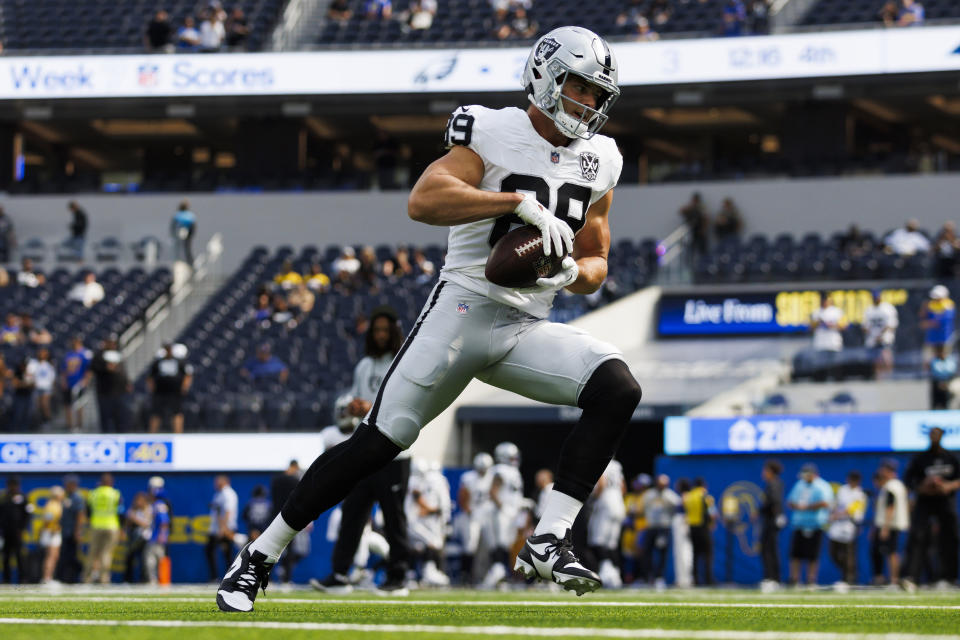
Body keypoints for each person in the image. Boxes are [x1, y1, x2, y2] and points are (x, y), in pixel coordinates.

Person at [217, 26, 642, 612]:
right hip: (462, 310)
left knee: (617, 387)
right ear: (545, 77)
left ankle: (549, 537)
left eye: (598, 95)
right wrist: (514, 203)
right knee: (376, 444)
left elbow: (596, 257)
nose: (588, 104)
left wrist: (569, 273)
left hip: (526, 326)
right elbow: (423, 200)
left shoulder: (602, 160)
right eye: (579, 88)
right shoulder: (491, 128)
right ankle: (259, 556)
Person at [312, 306, 413, 595]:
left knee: (394, 518)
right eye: (376, 330)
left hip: (395, 452)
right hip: (365, 448)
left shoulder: (404, 361)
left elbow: (407, 403)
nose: (380, 335)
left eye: (385, 330)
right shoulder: (364, 365)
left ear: (393, 332)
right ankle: (340, 574)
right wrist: (356, 408)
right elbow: (360, 405)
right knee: (352, 513)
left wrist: (369, 407)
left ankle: (399, 575)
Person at [902, 427, 959, 591]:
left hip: (945, 501)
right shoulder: (921, 458)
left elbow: (957, 479)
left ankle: (950, 577)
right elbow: (909, 481)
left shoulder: (951, 457)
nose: (934, 437)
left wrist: (948, 485)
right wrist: (923, 487)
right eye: (932, 434)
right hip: (925, 501)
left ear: (941, 436)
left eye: (937, 434)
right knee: (918, 536)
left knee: (950, 537)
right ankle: (912, 577)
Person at [480, 442, 524, 589]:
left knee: (504, 545)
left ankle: (500, 573)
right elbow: (493, 490)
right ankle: (499, 573)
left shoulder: (511, 471)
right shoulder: (501, 470)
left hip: (509, 512)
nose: (515, 460)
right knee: (499, 545)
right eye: (512, 457)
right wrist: (503, 507)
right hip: (503, 512)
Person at [786, 463, 833, 587]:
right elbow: (790, 501)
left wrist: (807, 507)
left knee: (813, 555)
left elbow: (826, 503)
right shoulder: (799, 484)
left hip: (815, 524)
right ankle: (794, 579)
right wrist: (798, 506)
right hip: (799, 524)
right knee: (795, 554)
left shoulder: (822, 486)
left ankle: (811, 579)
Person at [454, 452, 493, 585]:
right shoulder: (469, 477)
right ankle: (465, 575)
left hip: (487, 515)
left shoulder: (493, 476)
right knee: (470, 545)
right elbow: (462, 495)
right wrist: (467, 509)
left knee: (488, 546)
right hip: (472, 514)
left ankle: (485, 575)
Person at [587, 460, 626, 589]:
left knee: (598, 541)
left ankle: (606, 573)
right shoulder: (617, 465)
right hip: (619, 502)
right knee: (612, 544)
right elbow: (623, 487)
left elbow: (602, 483)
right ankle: (615, 575)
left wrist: (593, 499)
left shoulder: (602, 460)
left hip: (605, 503)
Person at [826, 471, 867, 589]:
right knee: (833, 553)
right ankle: (847, 573)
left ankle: (849, 579)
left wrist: (837, 515)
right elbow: (835, 504)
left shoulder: (860, 494)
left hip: (850, 525)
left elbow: (852, 510)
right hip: (837, 526)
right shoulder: (842, 490)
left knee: (849, 554)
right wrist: (832, 514)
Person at [872, 459, 909, 588]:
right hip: (895, 524)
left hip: (890, 525)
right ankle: (893, 579)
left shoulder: (891, 486)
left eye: (882, 469)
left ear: (888, 471)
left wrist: (885, 527)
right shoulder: (898, 485)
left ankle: (894, 580)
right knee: (891, 552)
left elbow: (890, 507)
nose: (880, 472)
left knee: (891, 552)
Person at [642, 474, 680, 589]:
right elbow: (644, 508)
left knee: (662, 554)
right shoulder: (649, 494)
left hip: (663, 528)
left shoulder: (670, 496)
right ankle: (649, 577)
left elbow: (679, 506)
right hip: (651, 527)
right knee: (647, 553)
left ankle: (659, 577)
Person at [84, 473, 123, 584]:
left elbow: (88, 511)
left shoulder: (93, 494)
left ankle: (87, 578)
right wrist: (122, 528)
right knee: (106, 553)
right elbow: (121, 511)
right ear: (111, 483)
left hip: (96, 525)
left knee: (92, 553)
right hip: (111, 526)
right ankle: (103, 578)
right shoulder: (115, 494)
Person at [147, 344, 193, 433]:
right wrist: (152, 388)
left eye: (169, 349)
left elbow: (187, 375)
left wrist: (184, 387)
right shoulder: (158, 362)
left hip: (174, 392)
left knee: (177, 413)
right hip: (160, 392)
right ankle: (152, 435)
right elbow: (150, 376)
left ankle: (178, 434)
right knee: (156, 414)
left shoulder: (179, 362)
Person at [90, 338, 130, 433]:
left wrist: (126, 382)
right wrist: (106, 367)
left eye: (114, 343)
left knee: (120, 417)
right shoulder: (99, 355)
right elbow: (94, 368)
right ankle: (106, 436)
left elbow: (123, 371)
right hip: (104, 392)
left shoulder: (118, 355)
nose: (112, 345)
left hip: (119, 392)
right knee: (105, 417)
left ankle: (121, 435)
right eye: (110, 342)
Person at [757, 460, 785, 592]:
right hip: (772, 520)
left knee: (768, 550)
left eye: (765, 470)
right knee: (770, 549)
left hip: (771, 521)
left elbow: (774, 502)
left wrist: (760, 511)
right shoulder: (775, 483)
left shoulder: (773, 484)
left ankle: (771, 578)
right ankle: (774, 578)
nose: (763, 473)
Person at [685, 477, 717, 586]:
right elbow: (712, 513)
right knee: (708, 554)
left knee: (695, 554)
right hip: (703, 528)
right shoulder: (705, 496)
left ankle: (695, 579)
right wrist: (712, 523)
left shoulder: (689, 497)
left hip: (692, 527)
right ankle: (708, 579)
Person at [0, 476, 33, 583]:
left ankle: (23, 578)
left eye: (15, 485)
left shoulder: (23, 497)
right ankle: (6, 579)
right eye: (11, 485)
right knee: (6, 557)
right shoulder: (4, 497)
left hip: (18, 532)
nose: (13, 487)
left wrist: (23, 528)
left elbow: (27, 514)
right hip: (5, 532)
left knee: (19, 556)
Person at [206, 475, 239, 582]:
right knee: (214, 551)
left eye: (218, 482)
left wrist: (223, 528)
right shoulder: (219, 493)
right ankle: (218, 577)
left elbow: (228, 511)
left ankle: (230, 578)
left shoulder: (228, 493)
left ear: (224, 482)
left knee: (227, 553)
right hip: (217, 528)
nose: (215, 484)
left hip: (225, 529)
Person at [56, 474, 86, 583]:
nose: (66, 486)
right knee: (66, 556)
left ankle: (81, 573)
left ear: (73, 484)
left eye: (68, 484)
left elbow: (80, 515)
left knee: (70, 556)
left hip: (72, 532)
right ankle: (67, 578)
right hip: (65, 531)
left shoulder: (77, 497)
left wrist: (77, 532)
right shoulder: (67, 497)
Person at [863, 290, 899, 379]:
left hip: (885, 338)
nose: (876, 299)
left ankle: (890, 377)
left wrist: (880, 335)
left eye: (877, 297)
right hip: (873, 339)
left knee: (886, 357)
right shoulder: (869, 310)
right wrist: (873, 335)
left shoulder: (887, 308)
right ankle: (878, 378)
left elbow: (892, 325)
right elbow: (864, 326)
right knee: (876, 361)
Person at [61, 337, 92, 433]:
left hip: (79, 383)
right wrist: (63, 381)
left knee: (79, 405)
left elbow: (88, 369)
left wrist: (85, 380)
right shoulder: (68, 355)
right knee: (68, 405)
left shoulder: (85, 354)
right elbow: (63, 370)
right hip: (69, 383)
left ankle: (79, 425)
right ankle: (69, 425)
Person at [920, 285, 955, 368]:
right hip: (931, 338)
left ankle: (943, 378)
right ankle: (933, 377)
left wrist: (928, 323)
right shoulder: (930, 305)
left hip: (944, 339)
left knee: (944, 360)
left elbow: (938, 322)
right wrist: (924, 307)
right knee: (928, 361)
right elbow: (922, 318)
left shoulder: (948, 306)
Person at [144, 480, 171, 585]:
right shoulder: (158, 504)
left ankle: (156, 580)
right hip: (156, 536)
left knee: (152, 559)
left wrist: (162, 534)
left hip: (156, 537)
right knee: (157, 559)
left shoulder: (159, 504)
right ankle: (160, 580)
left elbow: (164, 521)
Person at [123, 492, 152, 583]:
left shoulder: (148, 509)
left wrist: (134, 518)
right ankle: (128, 580)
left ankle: (144, 579)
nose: (138, 503)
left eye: (140, 500)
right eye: (137, 500)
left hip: (144, 538)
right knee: (129, 557)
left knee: (144, 559)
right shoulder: (133, 509)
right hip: (133, 537)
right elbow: (127, 524)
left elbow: (146, 524)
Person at [39, 485, 64, 584]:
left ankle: (48, 577)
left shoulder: (55, 504)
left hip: (52, 532)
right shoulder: (53, 505)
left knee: (54, 556)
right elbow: (48, 520)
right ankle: (46, 577)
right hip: (51, 532)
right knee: (51, 556)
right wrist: (51, 529)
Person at [929, 344, 957, 410]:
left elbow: (952, 372)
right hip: (938, 383)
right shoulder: (934, 361)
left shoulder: (951, 361)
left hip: (948, 382)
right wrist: (941, 382)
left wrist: (947, 382)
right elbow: (935, 373)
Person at [171, 200, 197, 266]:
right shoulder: (191, 215)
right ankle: (190, 263)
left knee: (180, 248)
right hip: (187, 233)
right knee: (187, 249)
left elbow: (173, 226)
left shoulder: (177, 215)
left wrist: (173, 234)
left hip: (182, 233)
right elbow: (193, 227)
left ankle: (182, 261)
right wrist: (191, 235)